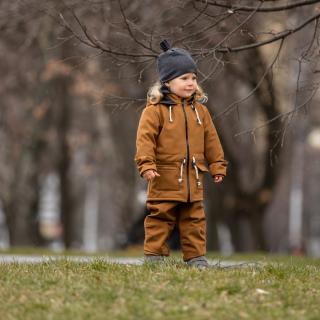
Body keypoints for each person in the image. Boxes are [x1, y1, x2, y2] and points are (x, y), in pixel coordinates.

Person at [135, 40, 228, 269]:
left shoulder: (201, 111)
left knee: (195, 220)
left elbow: (212, 141)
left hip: (193, 178)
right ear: (168, 81)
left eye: (194, 78)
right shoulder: (154, 110)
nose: (191, 83)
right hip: (163, 177)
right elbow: (144, 140)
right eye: (184, 78)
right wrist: (146, 165)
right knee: (160, 217)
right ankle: (154, 257)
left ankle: (196, 257)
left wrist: (217, 165)